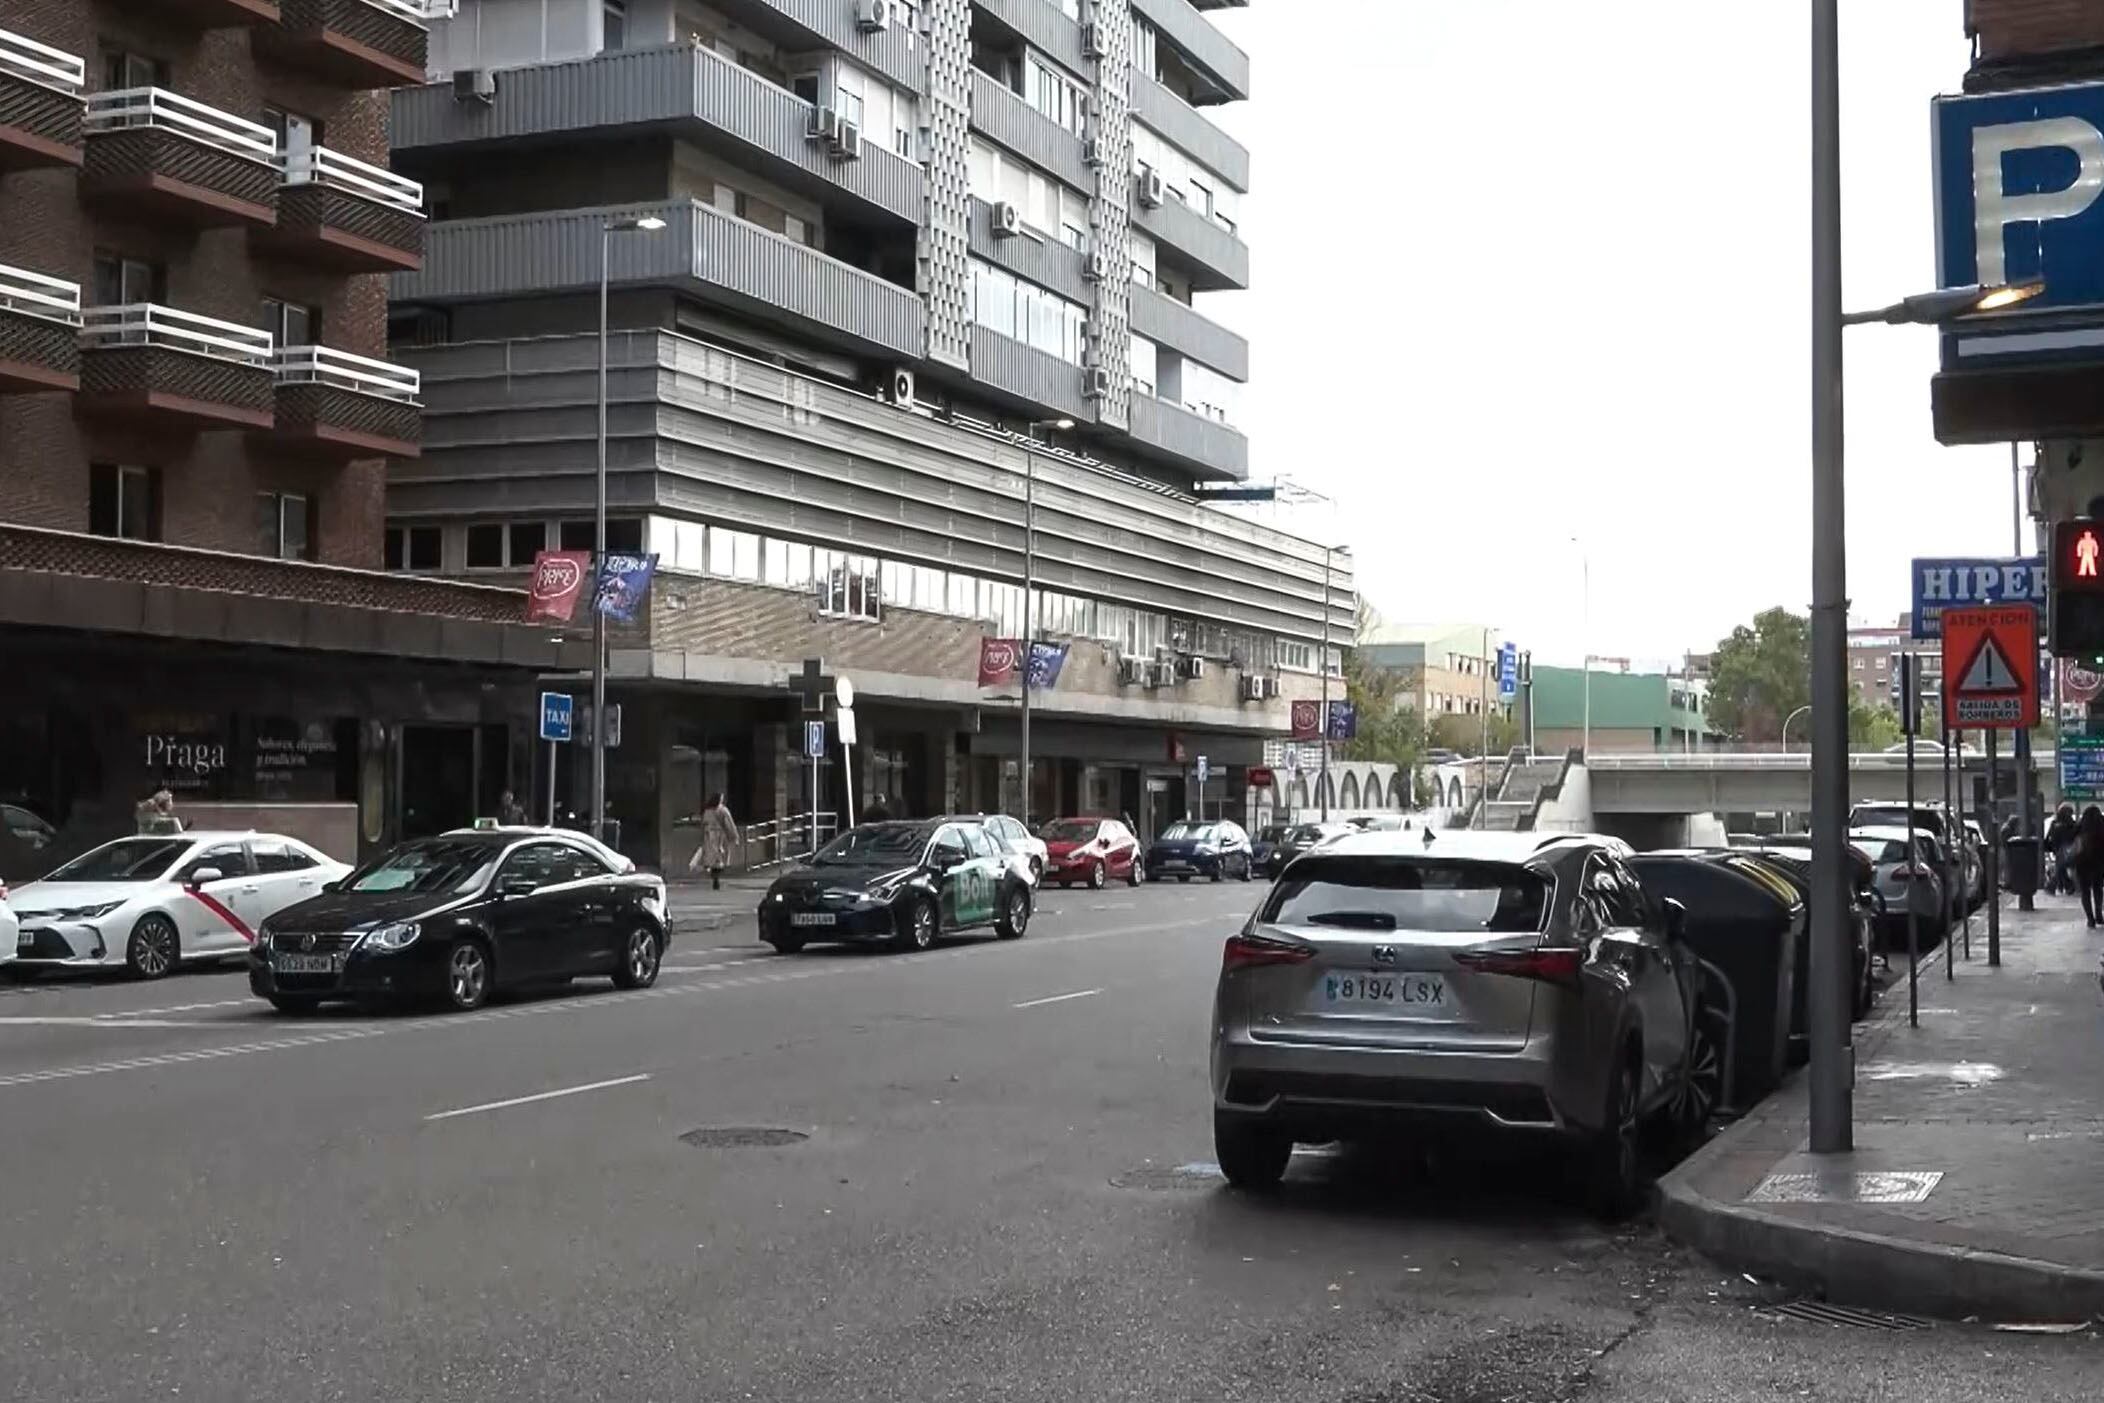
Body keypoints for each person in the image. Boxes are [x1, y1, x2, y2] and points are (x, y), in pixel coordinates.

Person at [691, 792, 738, 890]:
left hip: (709, 837)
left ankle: (714, 877)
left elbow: (703, 824)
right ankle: (716, 878)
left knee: (712, 859)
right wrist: (734, 836)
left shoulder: (707, 811)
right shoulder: (723, 810)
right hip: (720, 836)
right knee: (719, 858)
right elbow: (729, 824)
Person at [2074, 806, 2104, 928]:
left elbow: (2072, 840)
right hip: (2098, 862)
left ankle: (2090, 919)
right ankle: (2099, 915)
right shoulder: (2102, 826)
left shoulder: (2080, 827)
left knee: (2085, 892)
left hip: (2082, 863)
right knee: (2097, 889)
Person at [2047, 803, 2078, 896]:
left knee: (2060, 867)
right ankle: (2067, 886)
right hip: (2065, 847)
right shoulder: (2070, 823)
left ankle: (2057, 885)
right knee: (2060, 868)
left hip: (2060, 847)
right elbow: (2073, 834)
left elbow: (2050, 835)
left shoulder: (2055, 823)